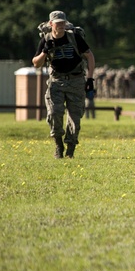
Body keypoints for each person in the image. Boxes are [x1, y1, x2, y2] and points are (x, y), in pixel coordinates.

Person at [32, 10, 96, 159]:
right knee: (54, 113)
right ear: (51, 24)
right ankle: (58, 144)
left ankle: (71, 148)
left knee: (75, 117)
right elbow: (36, 63)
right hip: (56, 82)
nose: (60, 25)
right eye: (58, 23)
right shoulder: (46, 39)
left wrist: (90, 79)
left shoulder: (74, 38)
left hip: (76, 80)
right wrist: (44, 52)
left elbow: (89, 56)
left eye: (62, 22)